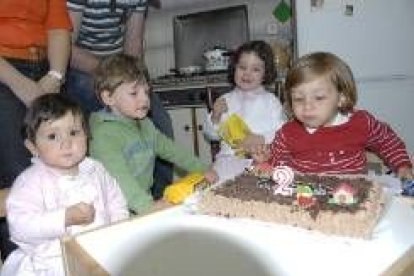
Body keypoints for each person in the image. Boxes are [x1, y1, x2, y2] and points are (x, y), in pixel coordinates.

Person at [1, 94, 129, 275]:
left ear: (87, 135)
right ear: (33, 147)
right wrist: (63, 218)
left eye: (74, 133)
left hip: (99, 256)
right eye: (53, 136)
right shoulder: (30, 182)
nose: (67, 143)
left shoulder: (95, 169)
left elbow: (116, 201)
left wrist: (118, 231)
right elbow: (20, 227)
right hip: (51, 264)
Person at [65, 0, 174, 200]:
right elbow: (67, 48)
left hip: (119, 70)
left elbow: (133, 44)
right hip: (81, 67)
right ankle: (110, 199)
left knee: (160, 122)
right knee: (102, 129)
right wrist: (112, 75)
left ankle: (162, 199)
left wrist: (138, 81)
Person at [89, 53, 218, 214]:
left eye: (146, 92)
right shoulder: (103, 136)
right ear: (108, 97)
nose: (144, 100)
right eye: (134, 93)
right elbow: (119, 179)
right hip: (114, 213)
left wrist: (202, 169)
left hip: (139, 205)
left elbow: (173, 151)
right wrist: (147, 206)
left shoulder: (145, 125)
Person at [253, 52, 413, 179]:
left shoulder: (361, 122)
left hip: (352, 200)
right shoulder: (287, 133)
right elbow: (278, 164)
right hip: (305, 201)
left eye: (319, 97)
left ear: (341, 98)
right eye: (298, 99)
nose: (307, 106)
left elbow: (387, 141)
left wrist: (402, 165)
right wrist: (265, 160)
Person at [0, 0, 72, 261]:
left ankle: (60, 258)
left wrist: (55, 76)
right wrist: (20, 84)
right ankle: (24, 263)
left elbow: (58, 26)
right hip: (4, 71)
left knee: (70, 156)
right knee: (21, 172)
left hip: (45, 69)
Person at [203, 40, 285, 181]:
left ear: (265, 74)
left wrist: (262, 138)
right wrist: (215, 116)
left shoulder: (271, 101)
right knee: (209, 182)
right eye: (242, 67)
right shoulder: (225, 100)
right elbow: (212, 136)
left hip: (260, 161)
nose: (247, 74)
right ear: (234, 68)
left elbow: (283, 133)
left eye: (255, 69)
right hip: (227, 160)